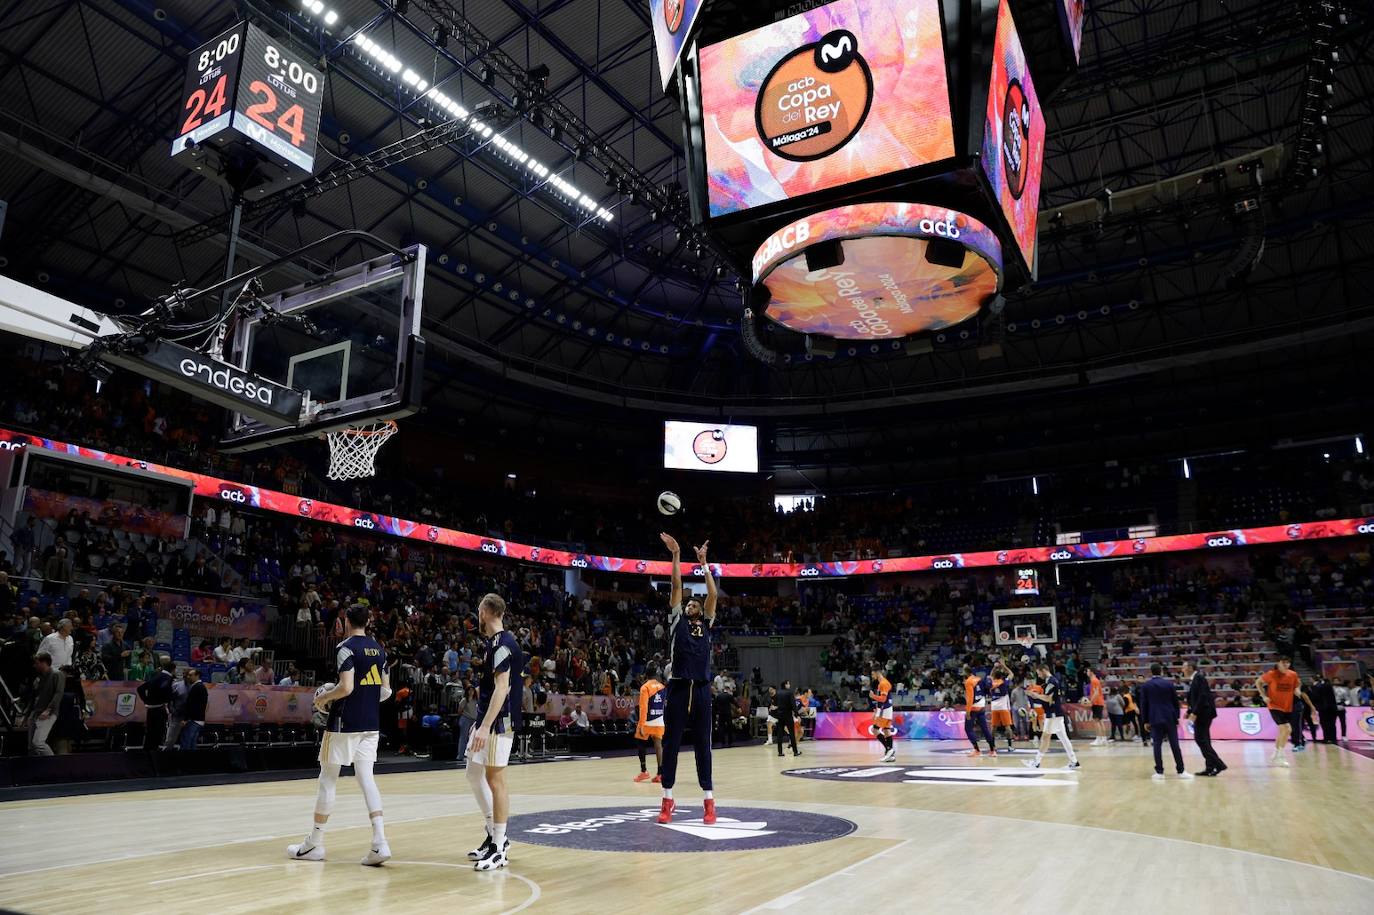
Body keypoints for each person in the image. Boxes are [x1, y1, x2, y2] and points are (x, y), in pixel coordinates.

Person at [288, 604, 392, 866]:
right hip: (371, 722)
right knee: (366, 777)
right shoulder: (380, 650)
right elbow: (386, 692)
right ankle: (380, 842)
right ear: (368, 621)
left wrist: (324, 697)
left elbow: (346, 687)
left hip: (345, 723)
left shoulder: (345, 648)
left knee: (328, 778)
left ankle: (314, 843)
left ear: (346, 621)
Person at [655, 534, 718, 825]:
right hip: (679, 687)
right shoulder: (676, 620)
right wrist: (677, 554)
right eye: (690, 604)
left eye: (696, 604)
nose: (692, 605)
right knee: (671, 745)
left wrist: (704, 565)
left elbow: (713, 596)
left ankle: (709, 801)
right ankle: (667, 799)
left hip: (703, 690)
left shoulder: (706, 623)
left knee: (703, 747)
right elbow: (678, 586)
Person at [465, 593, 523, 871]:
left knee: (495, 779)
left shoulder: (502, 644)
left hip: (498, 723)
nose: (478, 614)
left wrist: (486, 726)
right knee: (473, 773)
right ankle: (493, 833)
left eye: (479, 609)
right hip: (487, 719)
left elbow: (503, 689)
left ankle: (500, 847)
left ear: (487, 611)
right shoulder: (495, 643)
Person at [1023, 663, 1080, 770]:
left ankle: (1037, 762)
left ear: (1043, 670)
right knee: (1063, 738)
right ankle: (1074, 761)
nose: (1038, 675)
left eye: (1039, 673)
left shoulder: (1052, 681)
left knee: (1045, 737)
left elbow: (1048, 698)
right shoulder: (1049, 681)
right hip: (1055, 713)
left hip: (1053, 713)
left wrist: (1035, 695)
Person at [1140, 662, 1191, 780]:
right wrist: (1177, 717)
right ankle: (1181, 771)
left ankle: (1159, 772)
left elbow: (1144, 704)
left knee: (1157, 745)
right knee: (1174, 744)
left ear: (1151, 672)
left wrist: (1145, 721)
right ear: (1161, 671)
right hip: (1169, 717)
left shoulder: (1146, 686)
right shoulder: (1168, 684)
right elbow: (1175, 702)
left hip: (1154, 718)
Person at [1257, 656, 1304, 767]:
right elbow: (1258, 682)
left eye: (1288, 663)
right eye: (1284, 663)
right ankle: (1281, 756)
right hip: (1274, 706)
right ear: (1278, 663)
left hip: (1287, 706)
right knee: (1287, 729)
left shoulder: (1292, 674)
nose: (1286, 665)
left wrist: (1297, 690)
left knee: (1282, 731)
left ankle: (1275, 753)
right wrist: (1263, 696)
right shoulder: (1271, 674)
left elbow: (1297, 684)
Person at [1183, 660, 1226, 776]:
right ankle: (1210, 768)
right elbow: (1196, 698)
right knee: (1204, 740)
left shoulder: (1199, 678)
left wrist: (1195, 713)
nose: (1182, 670)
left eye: (1184, 667)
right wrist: (1189, 711)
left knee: (1200, 739)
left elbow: (1202, 697)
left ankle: (1219, 764)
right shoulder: (1195, 679)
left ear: (1191, 668)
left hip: (1204, 713)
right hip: (1203, 712)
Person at [27, 651, 63, 756]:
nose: (35, 666)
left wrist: (49, 710)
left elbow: (58, 693)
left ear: (44, 663)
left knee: (38, 743)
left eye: (37, 663)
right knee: (31, 747)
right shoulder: (39, 678)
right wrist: (27, 715)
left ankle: (54, 764)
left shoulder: (57, 674)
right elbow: (34, 697)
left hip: (48, 713)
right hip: (35, 713)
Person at [634, 663, 666, 782]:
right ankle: (660, 773)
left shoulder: (645, 687)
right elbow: (663, 705)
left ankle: (644, 771)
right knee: (658, 745)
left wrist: (641, 724)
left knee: (641, 743)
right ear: (656, 674)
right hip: (659, 718)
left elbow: (643, 707)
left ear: (646, 675)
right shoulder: (662, 687)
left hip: (647, 720)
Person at [136, 657, 175, 751]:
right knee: (158, 733)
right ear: (173, 669)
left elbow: (140, 688)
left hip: (151, 709)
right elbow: (163, 689)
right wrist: (169, 698)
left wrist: (146, 701)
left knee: (150, 733)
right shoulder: (167, 678)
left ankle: (147, 753)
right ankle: (154, 756)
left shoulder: (156, 676)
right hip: (160, 709)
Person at [963, 665, 996, 757]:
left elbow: (970, 698)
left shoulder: (968, 682)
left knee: (968, 729)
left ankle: (977, 750)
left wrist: (968, 711)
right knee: (985, 729)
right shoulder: (979, 679)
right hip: (981, 706)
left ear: (966, 672)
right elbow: (987, 689)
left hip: (973, 708)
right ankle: (992, 750)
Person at [987, 660, 1016, 753]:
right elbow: (1011, 674)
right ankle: (1010, 746)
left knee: (993, 728)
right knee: (1007, 727)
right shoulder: (1004, 682)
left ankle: (992, 746)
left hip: (994, 707)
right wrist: (1004, 666)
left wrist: (994, 667)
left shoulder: (991, 682)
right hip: (1003, 707)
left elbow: (990, 676)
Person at [869, 665, 896, 762]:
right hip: (887, 709)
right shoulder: (883, 683)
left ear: (877, 673)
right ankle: (890, 754)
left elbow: (883, 699)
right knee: (886, 730)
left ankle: (889, 750)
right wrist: (877, 711)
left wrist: (873, 696)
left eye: (872, 674)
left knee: (875, 730)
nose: (872, 676)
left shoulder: (883, 684)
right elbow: (882, 701)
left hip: (885, 710)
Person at [179, 666, 208, 751]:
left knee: (186, 744)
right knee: (192, 744)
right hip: (199, 719)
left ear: (197, 675)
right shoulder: (201, 686)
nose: (188, 677)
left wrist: (185, 719)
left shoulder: (196, 687)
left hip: (194, 720)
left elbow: (191, 705)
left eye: (191, 675)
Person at [771, 679, 800, 758]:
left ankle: (780, 752)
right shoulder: (790, 692)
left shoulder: (778, 692)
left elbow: (775, 704)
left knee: (780, 734)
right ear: (786, 684)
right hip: (788, 715)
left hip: (780, 715)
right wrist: (797, 714)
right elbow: (793, 704)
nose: (789, 685)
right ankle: (795, 751)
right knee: (791, 733)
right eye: (788, 684)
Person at [1308, 673, 1339, 745]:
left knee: (1327, 723)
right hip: (1330, 708)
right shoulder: (1327, 685)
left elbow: (1316, 697)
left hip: (1326, 708)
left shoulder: (1319, 686)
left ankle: (1329, 738)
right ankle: (1331, 738)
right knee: (1329, 724)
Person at [1085, 665, 1108, 746]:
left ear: (1091, 672)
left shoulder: (1094, 680)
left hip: (1097, 703)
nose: (1087, 673)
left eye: (1088, 671)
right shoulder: (1096, 680)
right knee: (1100, 721)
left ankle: (1098, 739)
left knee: (1096, 721)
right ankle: (1104, 739)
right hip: (1100, 702)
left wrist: (1091, 701)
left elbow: (1096, 692)